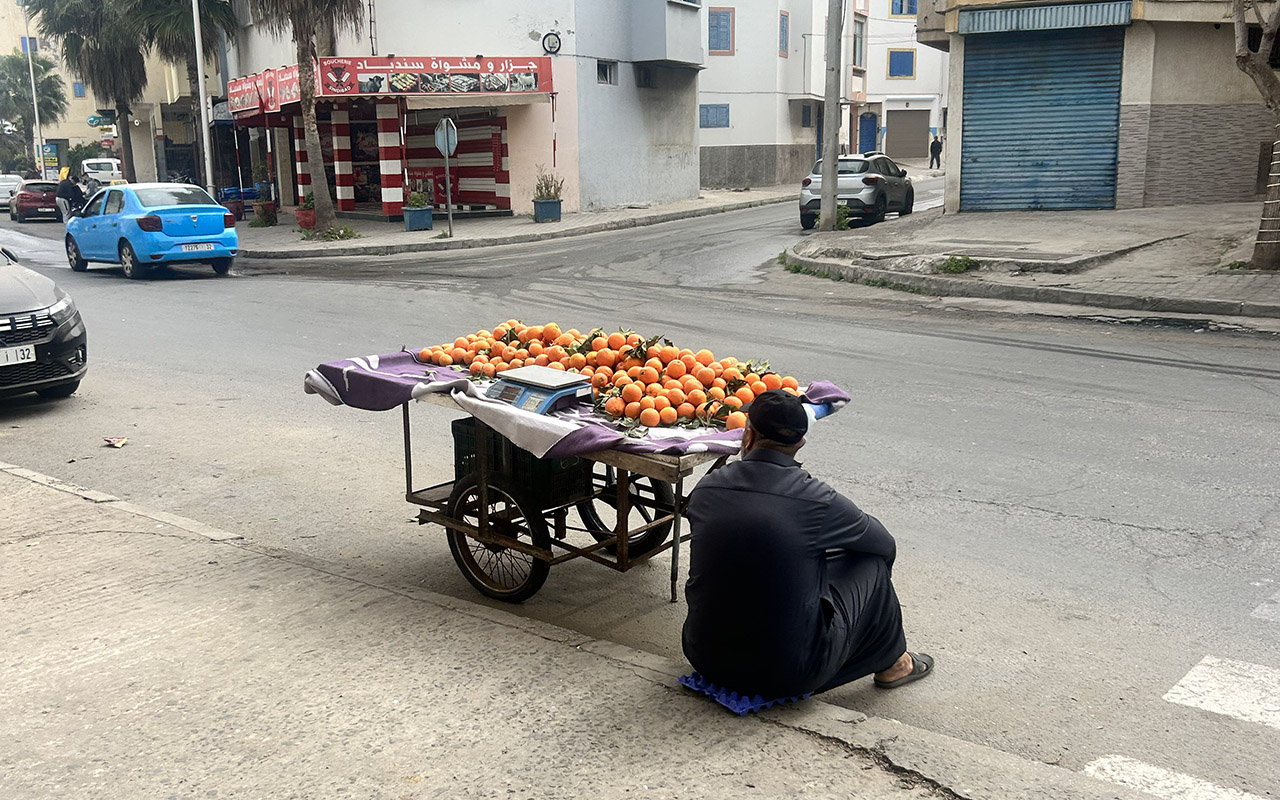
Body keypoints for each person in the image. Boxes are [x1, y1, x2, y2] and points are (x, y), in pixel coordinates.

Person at [682, 389, 933, 699]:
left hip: (705, 657)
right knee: (872, 563)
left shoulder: (708, 488)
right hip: (788, 675)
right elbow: (884, 545)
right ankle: (896, 663)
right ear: (799, 444)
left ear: (748, 435)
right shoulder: (817, 499)